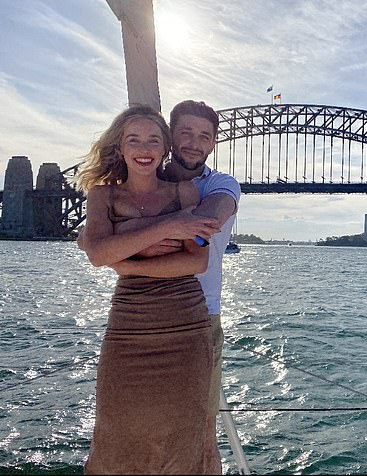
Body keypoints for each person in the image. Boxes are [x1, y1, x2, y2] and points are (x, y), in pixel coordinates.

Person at [76, 105, 222, 473]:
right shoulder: (102, 196)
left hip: (185, 328)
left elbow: (196, 262)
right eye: (134, 139)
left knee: (182, 437)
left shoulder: (187, 193)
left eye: (153, 140)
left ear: (164, 148)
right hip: (127, 328)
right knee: (114, 431)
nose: (144, 148)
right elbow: (96, 252)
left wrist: (124, 255)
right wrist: (168, 227)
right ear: (120, 148)